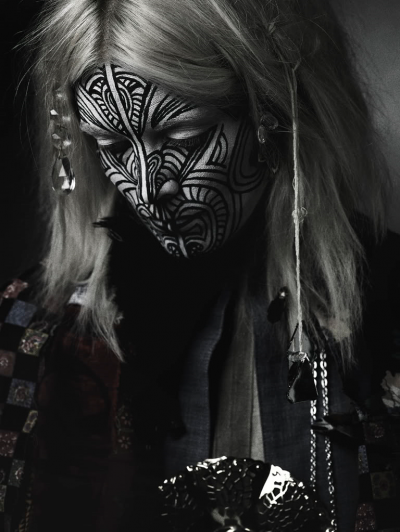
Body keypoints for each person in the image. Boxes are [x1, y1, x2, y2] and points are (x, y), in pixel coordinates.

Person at [0, 0, 399, 530]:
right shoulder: (37, 327)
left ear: (271, 113)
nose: (148, 189)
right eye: (113, 146)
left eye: (182, 138)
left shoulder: (388, 307)